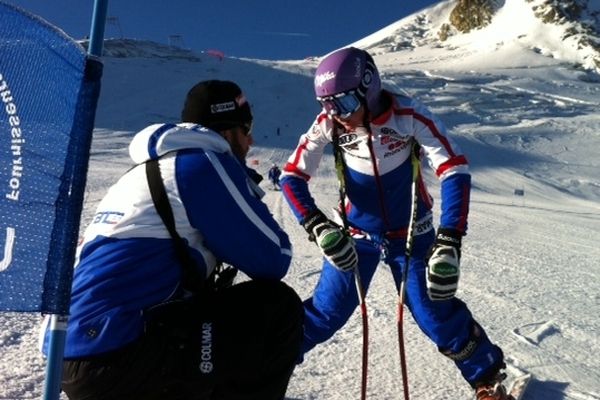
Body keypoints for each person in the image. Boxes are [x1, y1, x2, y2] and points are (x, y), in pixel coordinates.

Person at [41, 80, 303, 400]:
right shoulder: (200, 163)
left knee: (210, 305)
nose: (250, 140)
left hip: (72, 353)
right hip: (117, 352)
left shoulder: (143, 172)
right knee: (276, 307)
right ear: (224, 131)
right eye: (246, 127)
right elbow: (274, 258)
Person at [280, 47, 509, 400]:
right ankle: (266, 368)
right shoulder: (329, 123)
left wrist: (450, 239)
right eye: (325, 104)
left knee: (432, 310)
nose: (333, 115)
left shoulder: (409, 115)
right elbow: (292, 176)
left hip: (411, 233)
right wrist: (317, 225)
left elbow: (454, 169)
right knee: (328, 311)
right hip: (354, 235)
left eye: (340, 104)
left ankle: (487, 378)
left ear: (368, 88)